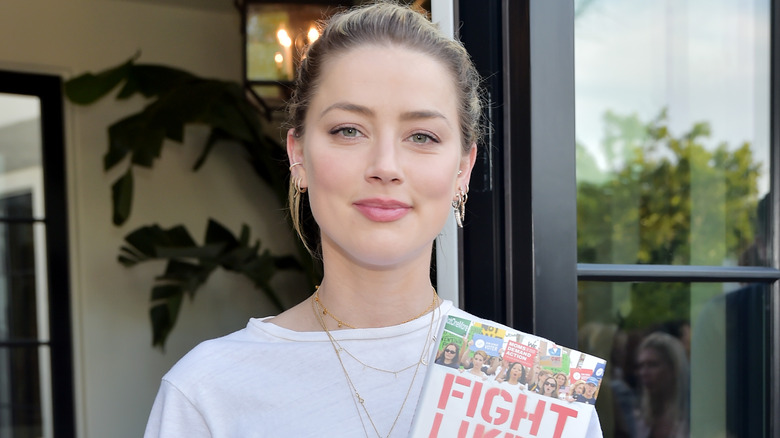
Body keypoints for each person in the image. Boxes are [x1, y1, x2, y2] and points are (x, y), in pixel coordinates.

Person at [144, 3, 602, 437]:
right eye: (349, 130)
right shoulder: (208, 390)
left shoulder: (539, 390)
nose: (385, 165)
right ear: (298, 154)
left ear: (462, 169)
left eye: (421, 136)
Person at [635, 332, 689, 438]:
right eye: (641, 366)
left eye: (652, 365)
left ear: (673, 368)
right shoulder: (643, 419)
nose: (644, 373)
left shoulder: (693, 418)